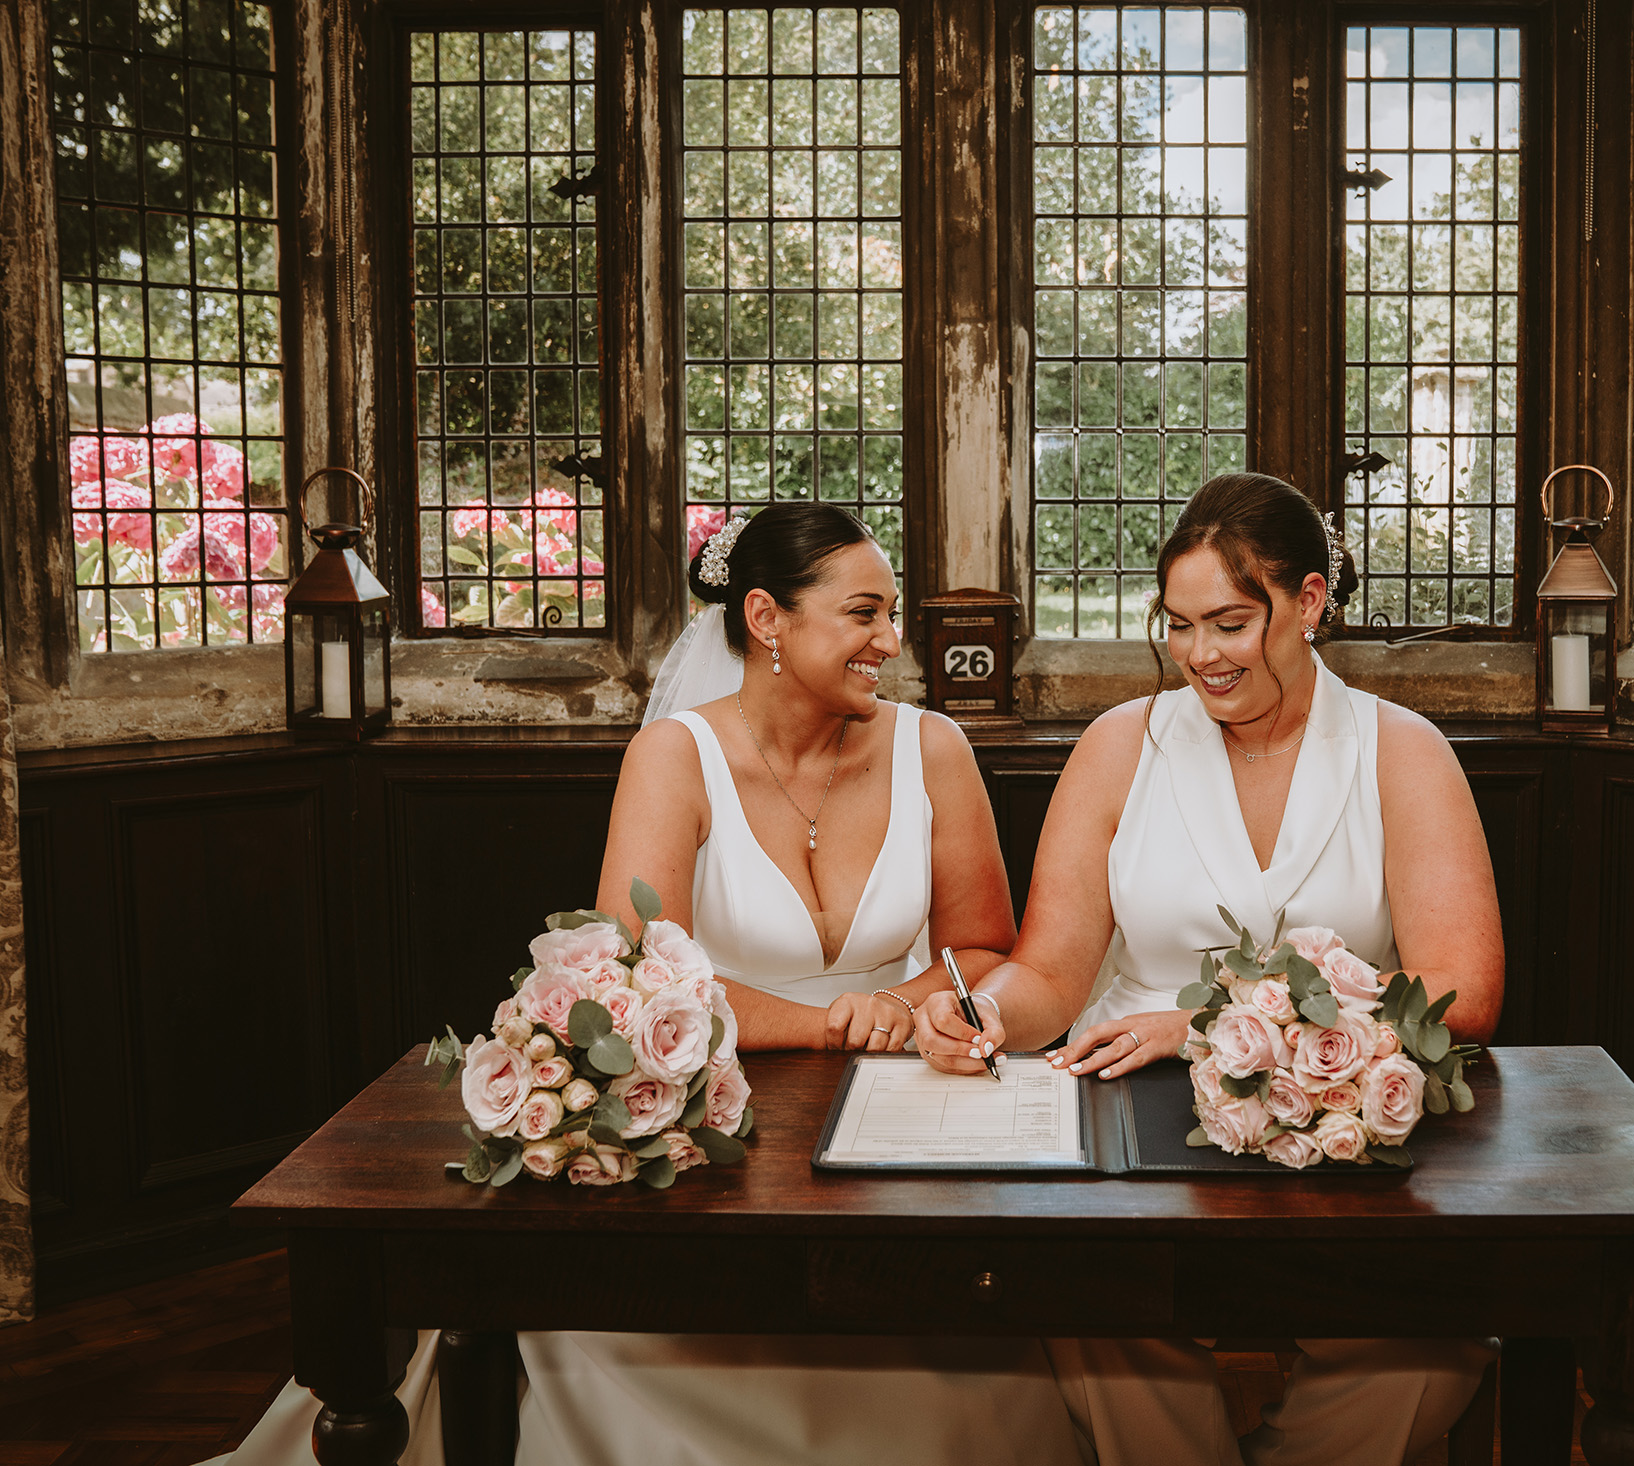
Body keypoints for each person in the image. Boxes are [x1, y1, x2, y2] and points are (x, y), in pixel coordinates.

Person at [220, 504, 1092, 1466]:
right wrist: (824, 1026)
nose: (892, 640)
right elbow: (631, 974)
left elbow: (981, 944)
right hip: (715, 1112)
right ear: (766, 618)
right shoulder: (674, 758)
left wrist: (893, 1007)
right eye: (865, 614)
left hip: (901, 1103)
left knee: (958, 1351)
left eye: (890, 616)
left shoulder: (935, 750)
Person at [914, 473, 1507, 1466]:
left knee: (1423, 1346)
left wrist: (1199, 1026)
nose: (1199, 654)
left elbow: (1463, 994)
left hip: (1344, 1120)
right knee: (1092, 1312)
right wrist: (975, 1010)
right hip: (1129, 1121)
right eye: (1178, 624)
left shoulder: (1400, 753)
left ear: (1309, 601)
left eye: (1229, 621)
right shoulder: (1119, 747)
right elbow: (1051, 973)